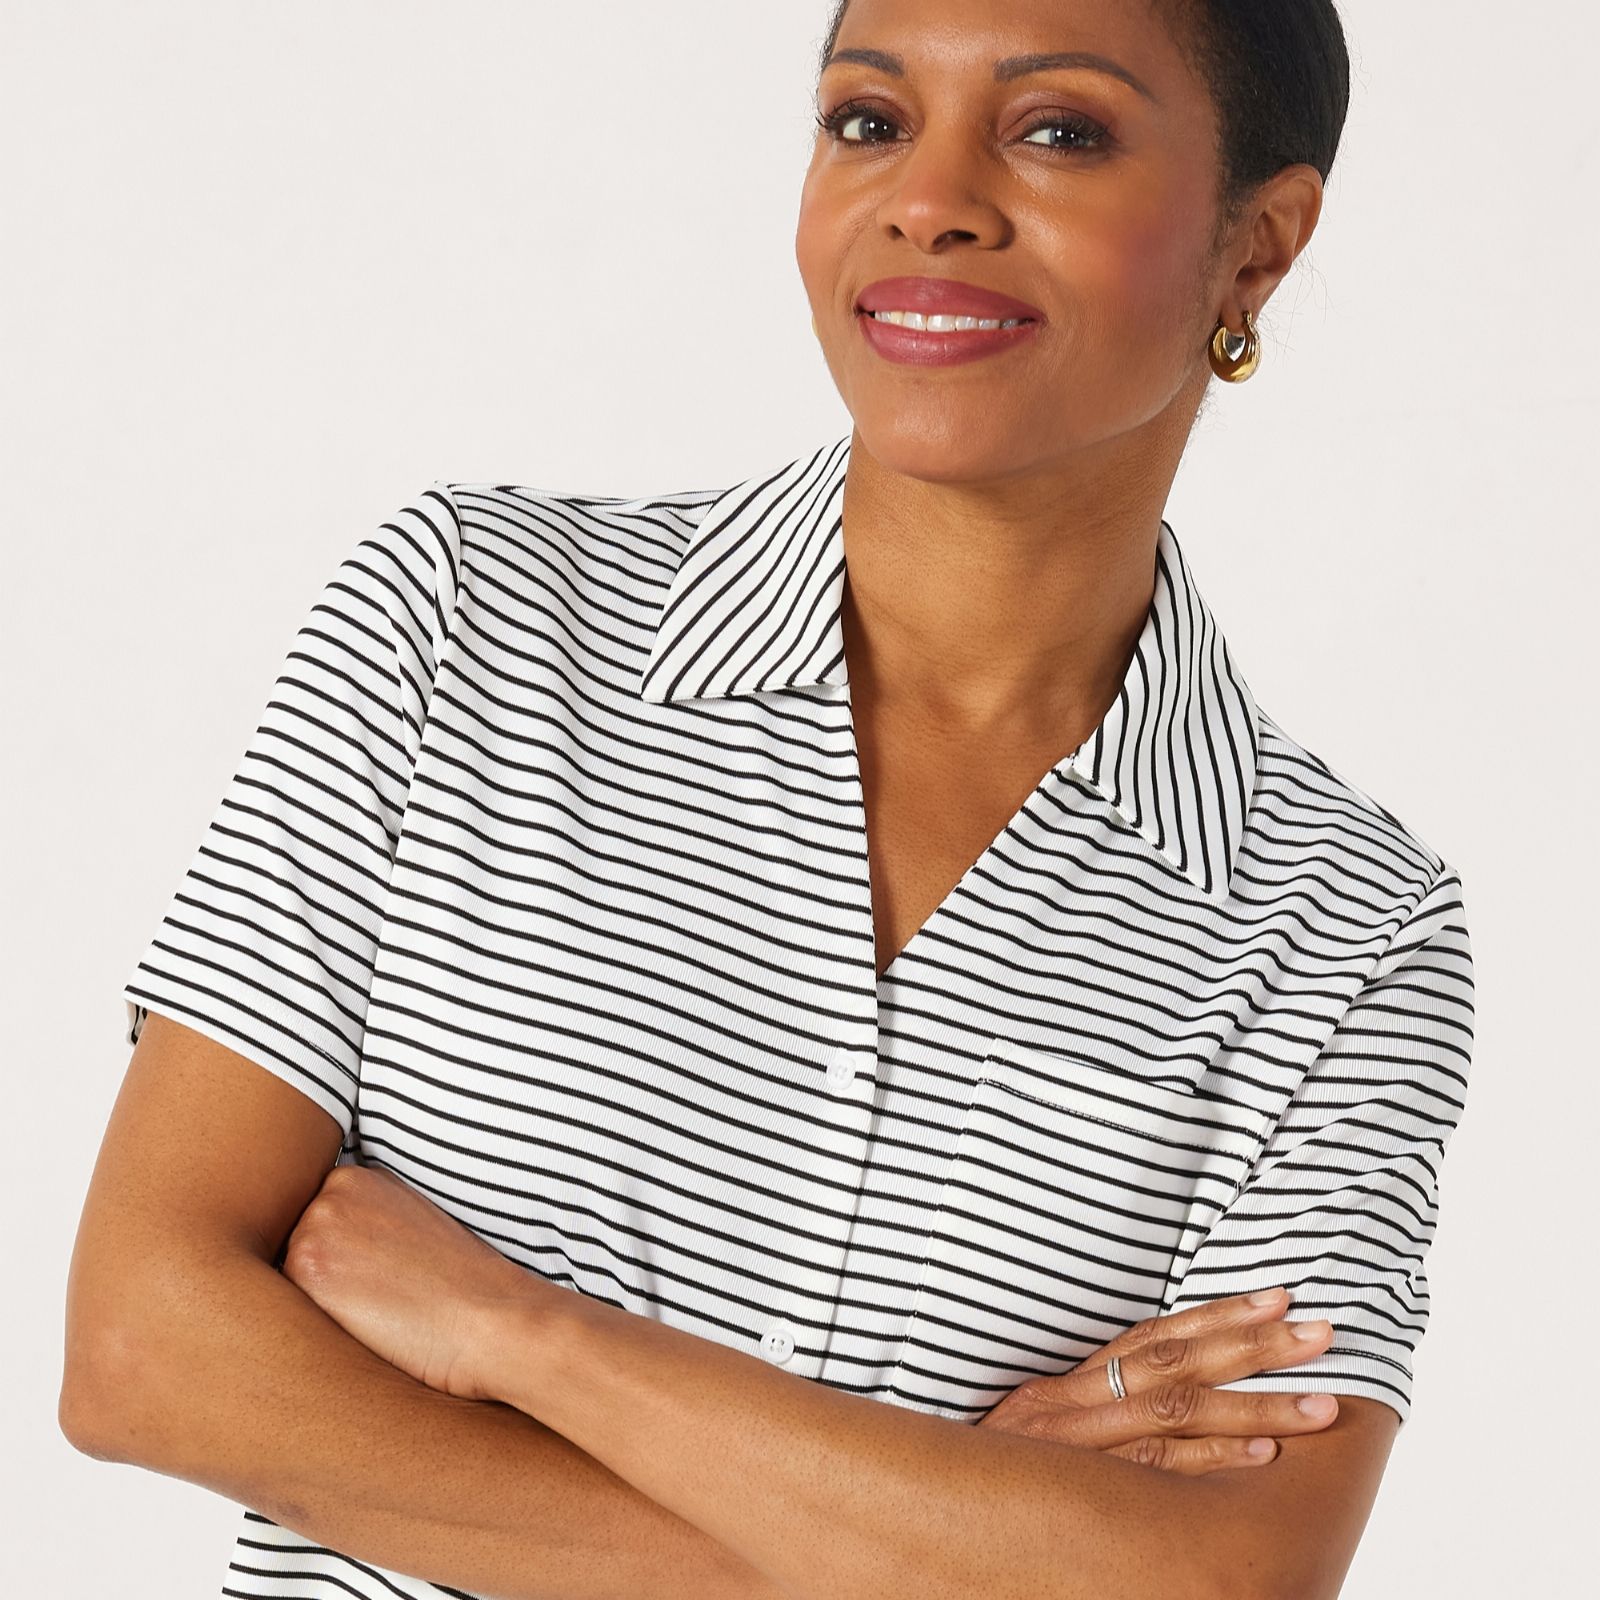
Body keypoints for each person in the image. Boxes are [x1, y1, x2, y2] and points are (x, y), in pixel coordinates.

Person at [62, 1, 1475, 1596]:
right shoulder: (468, 622)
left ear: (1257, 249)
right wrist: (938, 1558)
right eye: (870, 120)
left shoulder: (1348, 929)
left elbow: (1227, 1581)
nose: (927, 199)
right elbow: (140, 1352)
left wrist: (526, 1337)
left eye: (1056, 131)